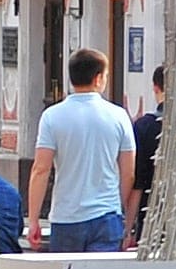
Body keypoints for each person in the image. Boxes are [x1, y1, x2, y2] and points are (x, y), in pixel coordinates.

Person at [26, 47, 136, 252]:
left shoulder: (52, 116)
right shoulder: (119, 116)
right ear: (98, 78)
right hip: (106, 215)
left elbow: (40, 169)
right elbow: (128, 172)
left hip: (66, 216)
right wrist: (116, 205)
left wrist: (33, 220)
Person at [127, 65, 166, 244]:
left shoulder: (144, 127)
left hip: (151, 217)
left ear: (155, 88)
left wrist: (127, 229)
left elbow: (137, 182)